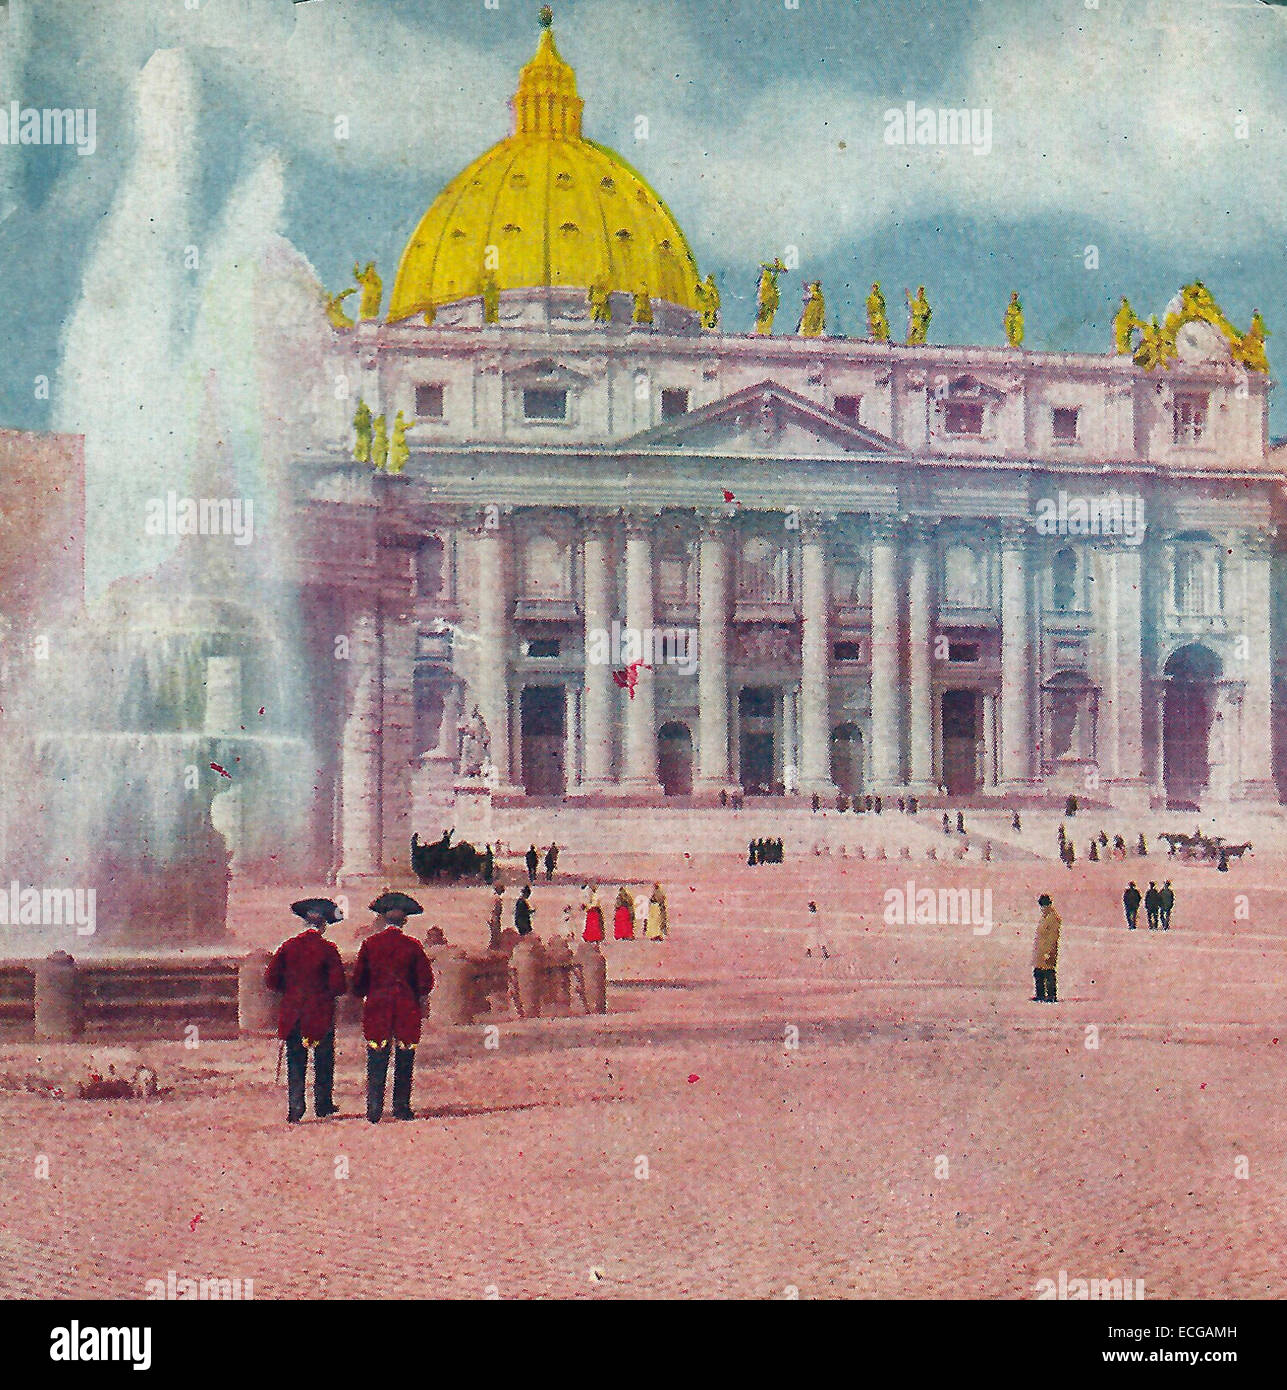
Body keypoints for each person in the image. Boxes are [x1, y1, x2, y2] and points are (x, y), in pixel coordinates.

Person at [352, 891, 434, 1123]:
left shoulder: (369, 944)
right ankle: (401, 1107)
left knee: (377, 1057)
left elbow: (358, 982)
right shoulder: (413, 946)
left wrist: (366, 994)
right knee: (405, 1059)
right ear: (405, 921)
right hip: (406, 1007)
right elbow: (426, 982)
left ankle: (374, 1108)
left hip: (378, 1006)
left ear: (383, 919)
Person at [266, 898, 347, 1124]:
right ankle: (322, 1105)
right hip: (320, 1013)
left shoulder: (288, 946)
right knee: (322, 1059)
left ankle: (295, 1107)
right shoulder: (329, 949)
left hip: (293, 1012)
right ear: (323, 926)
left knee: (295, 1060)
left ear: (304, 923)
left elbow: (271, 979)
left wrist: (290, 991)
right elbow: (339, 985)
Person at [1032, 894, 1061, 1003]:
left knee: (1048, 973)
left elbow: (1053, 937)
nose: (1042, 908)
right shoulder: (1045, 917)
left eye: (1044, 906)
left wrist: (1049, 952)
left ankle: (1051, 995)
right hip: (1041, 951)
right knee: (1038, 972)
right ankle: (1040, 994)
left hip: (1048, 950)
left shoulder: (1053, 918)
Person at [487, 884, 504, 951]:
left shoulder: (493, 897)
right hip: (495, 918)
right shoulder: (497, 899)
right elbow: (495, 910)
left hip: (494, 918)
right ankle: (494, 949)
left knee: (494, 934)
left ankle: (493, 948)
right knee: (495, 935)